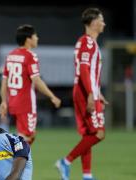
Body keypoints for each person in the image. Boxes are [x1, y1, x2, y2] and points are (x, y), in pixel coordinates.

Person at [55, 7, 107, 180]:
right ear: (93, 23)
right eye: (101, 20)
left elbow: (89, 72)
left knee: (88, 135)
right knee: (99, 133)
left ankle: (87, 175)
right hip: (85, 92)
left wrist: (97, 92)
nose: (103, 23)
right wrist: (91, 93)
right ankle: (65, 161)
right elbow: (84, 69)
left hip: (84, 90)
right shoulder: (88, 42)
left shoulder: (85, 42)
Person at [0, 24, 61, 145]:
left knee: (25, 135)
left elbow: (4, 80)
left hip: (13, 102)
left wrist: (4, 101)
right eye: (35, 36)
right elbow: (36, 80)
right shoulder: (30, 56)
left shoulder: (11, 55)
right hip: (26, 103)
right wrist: (52, 96)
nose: (37, 38)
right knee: (28, 137)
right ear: (28, 39)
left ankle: (17, 161)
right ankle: (10, 160)